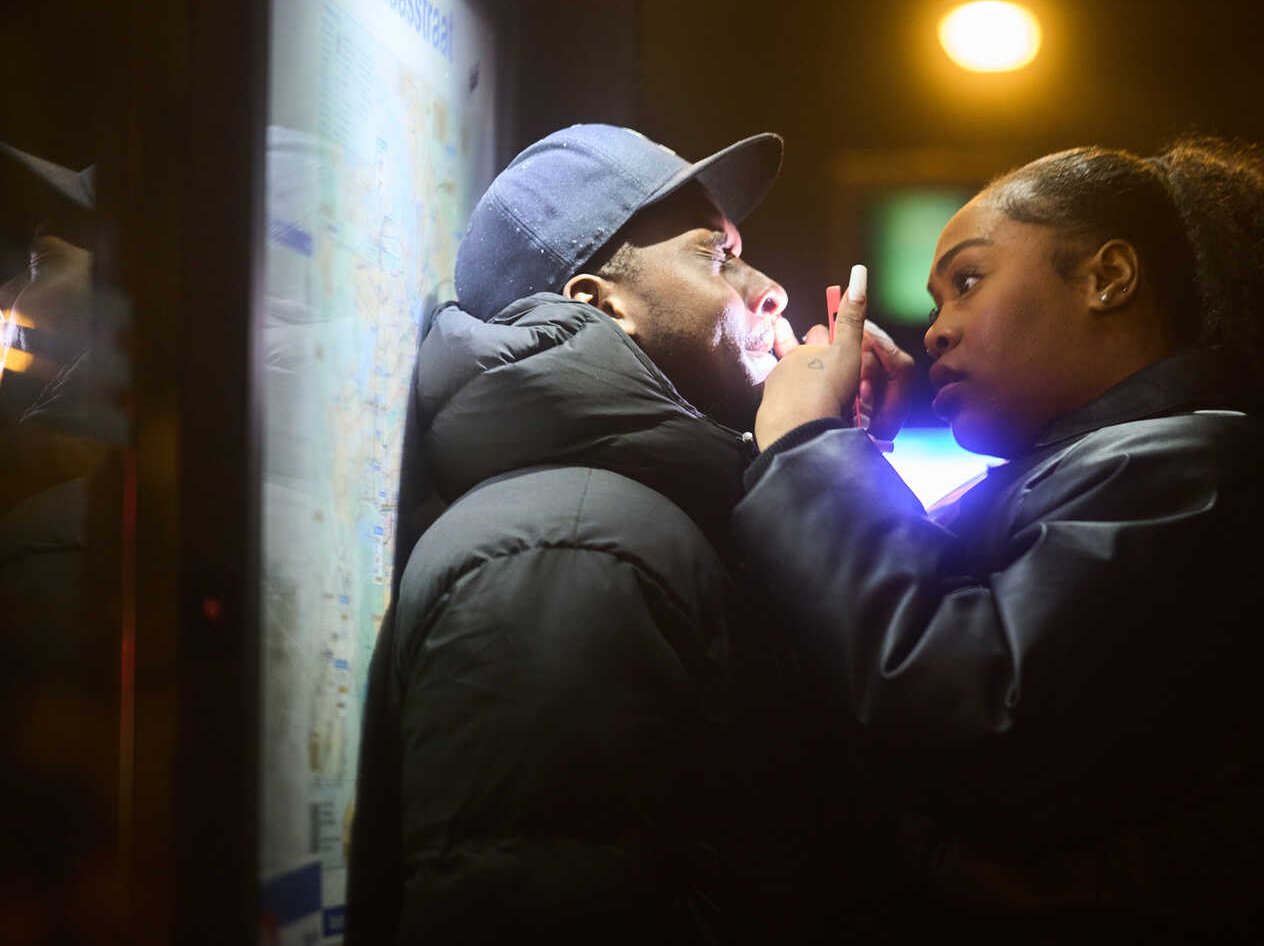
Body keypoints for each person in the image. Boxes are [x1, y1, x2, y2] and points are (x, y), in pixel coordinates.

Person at [735, 138, 1264, 942]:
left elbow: (971, 709)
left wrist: (807, 447)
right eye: (937, 303)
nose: (936, 331)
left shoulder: (1195, 475)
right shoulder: (1134, 467)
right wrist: (862, 449)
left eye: (967, 281)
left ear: (1108, 278)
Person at [345, 124, 894, 943]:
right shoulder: (567, 547)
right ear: (600, 304)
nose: (770, 289)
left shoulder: (641, 518)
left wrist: (836, 456)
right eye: (718, 257)